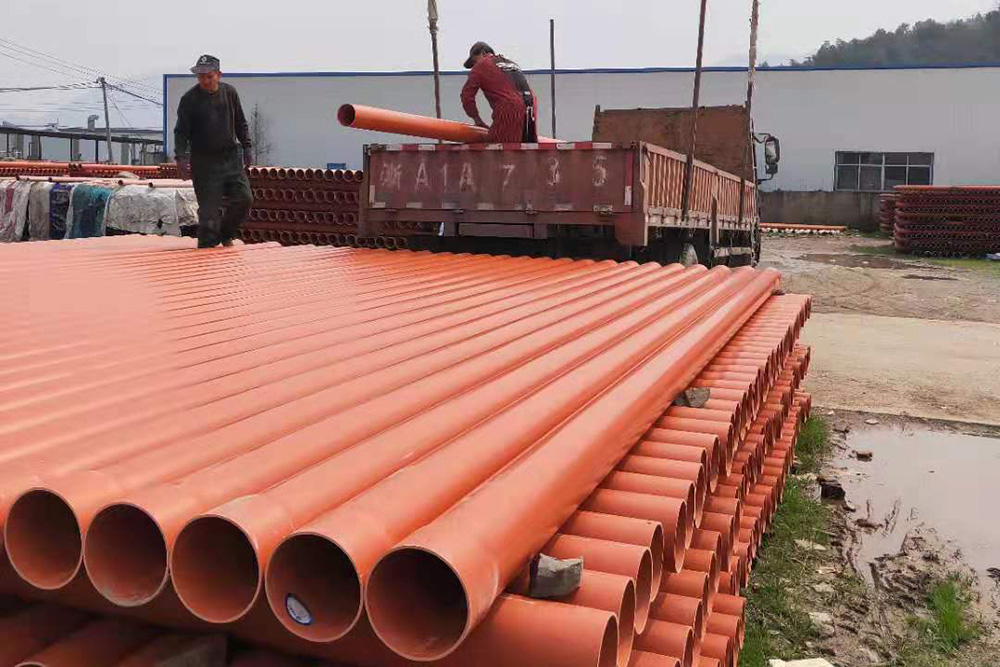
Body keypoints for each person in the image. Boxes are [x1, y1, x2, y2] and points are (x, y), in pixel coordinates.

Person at [174, 54, 253, 248]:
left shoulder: (230, 93)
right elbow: (181, 132)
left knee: (244, 199)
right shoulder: (189, 99)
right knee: (209, 215)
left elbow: (240, 122)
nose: (205, 81)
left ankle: (225, 234)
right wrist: (181, 158)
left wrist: (247, 146)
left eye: (209, 76)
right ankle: (207, 249)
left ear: (219, 74)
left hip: (230, 158)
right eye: (201, 77)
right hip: (204, 162)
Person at [460, 42, 538, 143]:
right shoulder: (511, 64)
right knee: (526, 145)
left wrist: (477, 119)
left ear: (483, 53)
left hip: (509, 106)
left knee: (497, 146)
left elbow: (466, 96)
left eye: (474, 61)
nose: (474, 66)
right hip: (531, 105)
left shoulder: (481, 65)